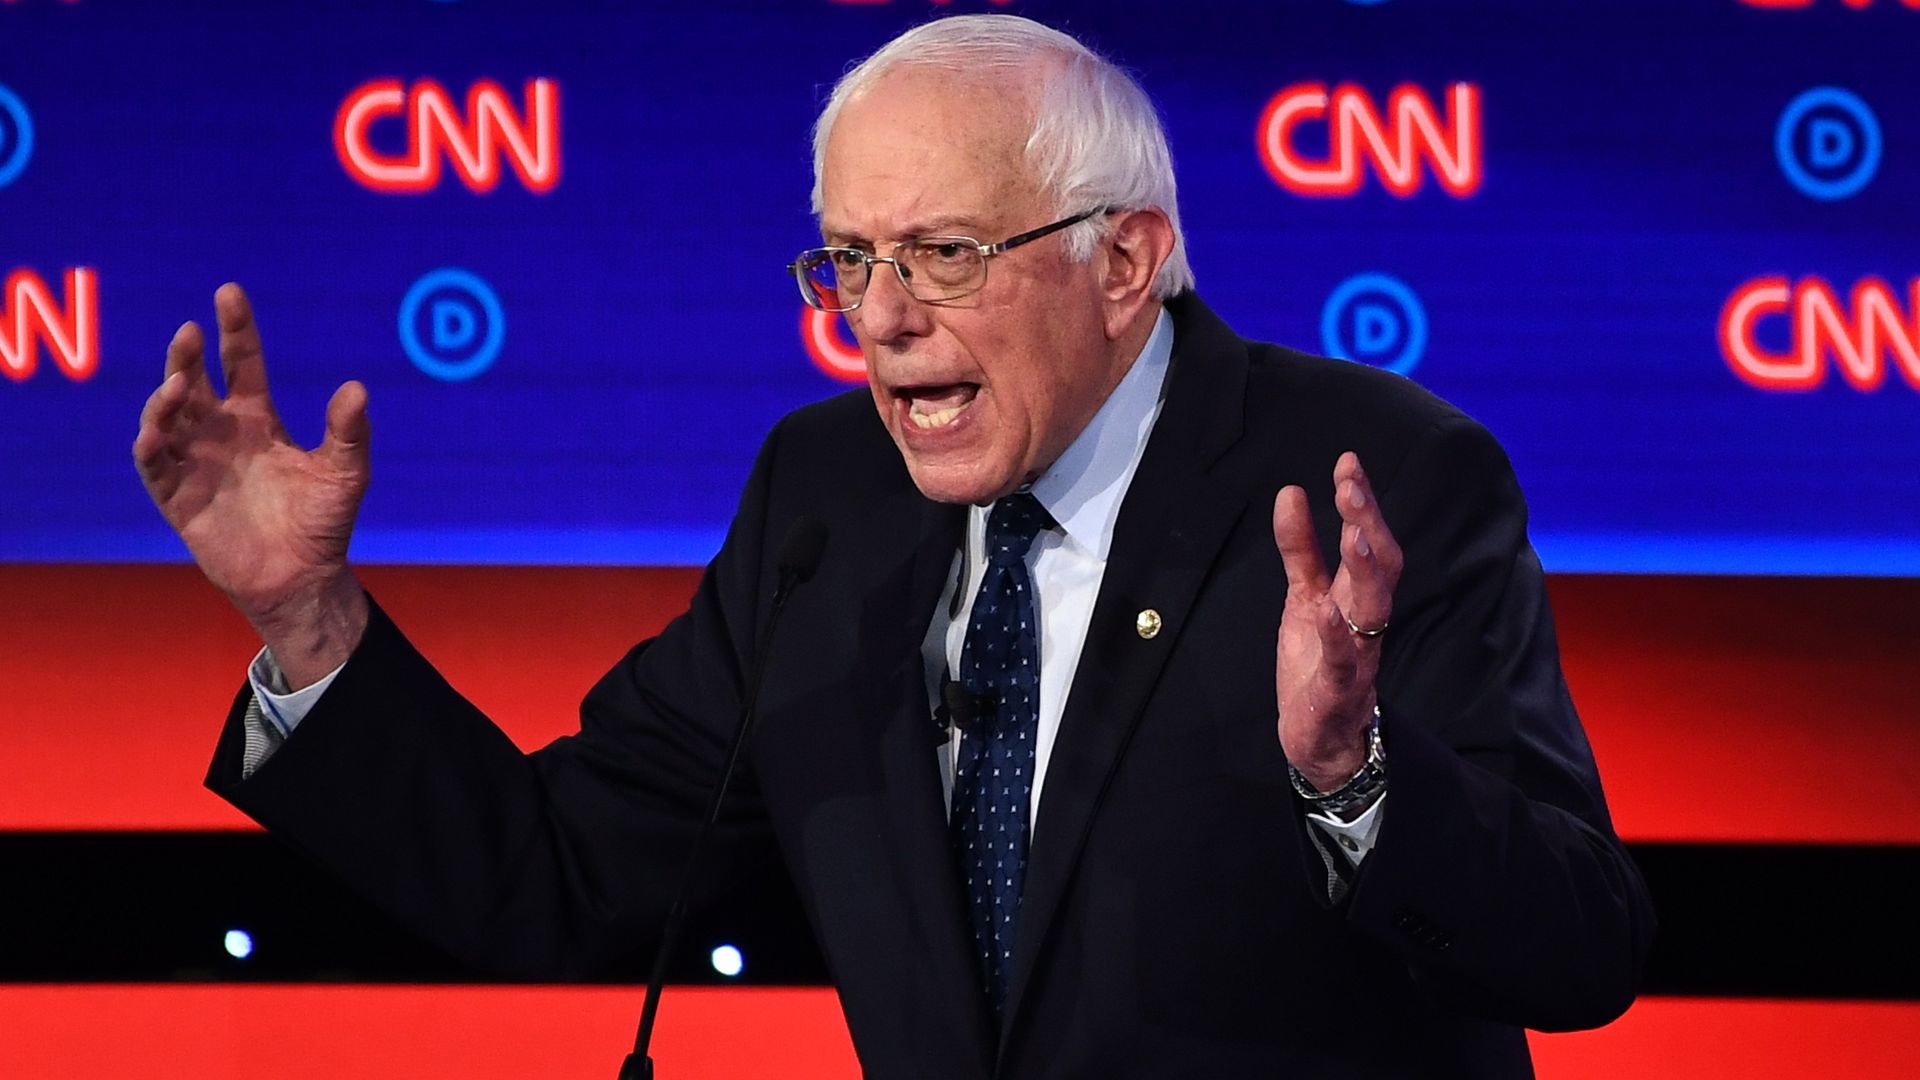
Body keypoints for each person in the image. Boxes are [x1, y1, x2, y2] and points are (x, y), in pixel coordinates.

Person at [134, 15, 1653, 1079]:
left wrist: (1355, 779)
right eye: (851, 258)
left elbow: (1580, 951)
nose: (878, 319)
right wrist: (310, 622)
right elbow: (565, 873)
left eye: (944, 254)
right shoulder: (829, 500)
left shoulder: (1368, 484)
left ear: (1124, 261)